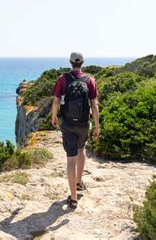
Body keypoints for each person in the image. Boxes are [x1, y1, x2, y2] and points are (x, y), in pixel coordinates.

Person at [51, 52, 99, 209]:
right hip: (84, 124)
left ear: (70, 63)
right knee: (81, 149)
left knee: (70, 160)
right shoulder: (90, 80)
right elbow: (94, 105)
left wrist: (54, 117)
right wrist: (97, 127)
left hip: (68, 124)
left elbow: (56, 100)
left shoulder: (62, 79)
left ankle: (73, 199)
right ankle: (79, 183)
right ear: (83, 62)